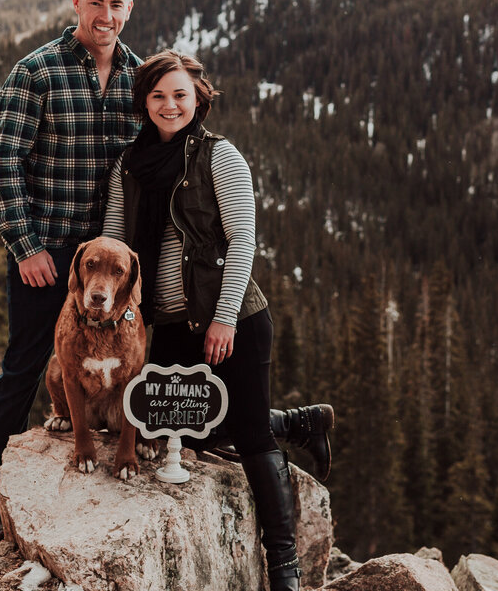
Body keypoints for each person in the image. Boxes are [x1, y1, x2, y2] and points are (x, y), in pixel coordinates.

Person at [103, 50, 334, 591]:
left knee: (251, 438)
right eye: (158, 95)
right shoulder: (128, 165)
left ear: (198, 98)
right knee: (178, 423)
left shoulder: (219, 157)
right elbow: (115, 242)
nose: (169, 105)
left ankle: (284, 567)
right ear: (144, 102)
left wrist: (223, 318)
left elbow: (243, 241)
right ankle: (298, 423)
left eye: (180, 94)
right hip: (167, 325)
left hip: (232, 320)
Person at [0, 0, 142, 542]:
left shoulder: (136, 78)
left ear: (129, 9)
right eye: (96, 2)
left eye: (117, 5)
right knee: (24, 369)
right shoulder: (35, 72)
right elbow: (3, 169)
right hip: (47, 258)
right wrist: (25, 247)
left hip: (109, 267)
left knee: (129, 371)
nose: (106, 15)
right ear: (76, 3)